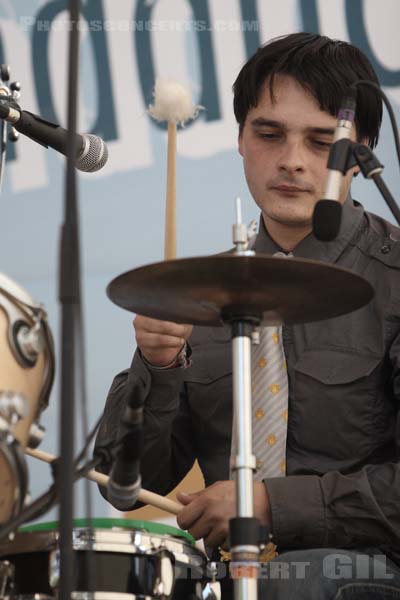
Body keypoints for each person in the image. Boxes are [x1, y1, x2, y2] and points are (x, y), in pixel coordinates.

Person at [95, 33, 400, 598]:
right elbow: (124, 488)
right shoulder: (198, 292)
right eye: (269, 133)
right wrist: (156, 366)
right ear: (239, 138)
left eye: (320, 141)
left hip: (366, 570)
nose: (291, 160)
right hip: (229, 577)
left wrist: (266, 504)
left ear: (359, 151)